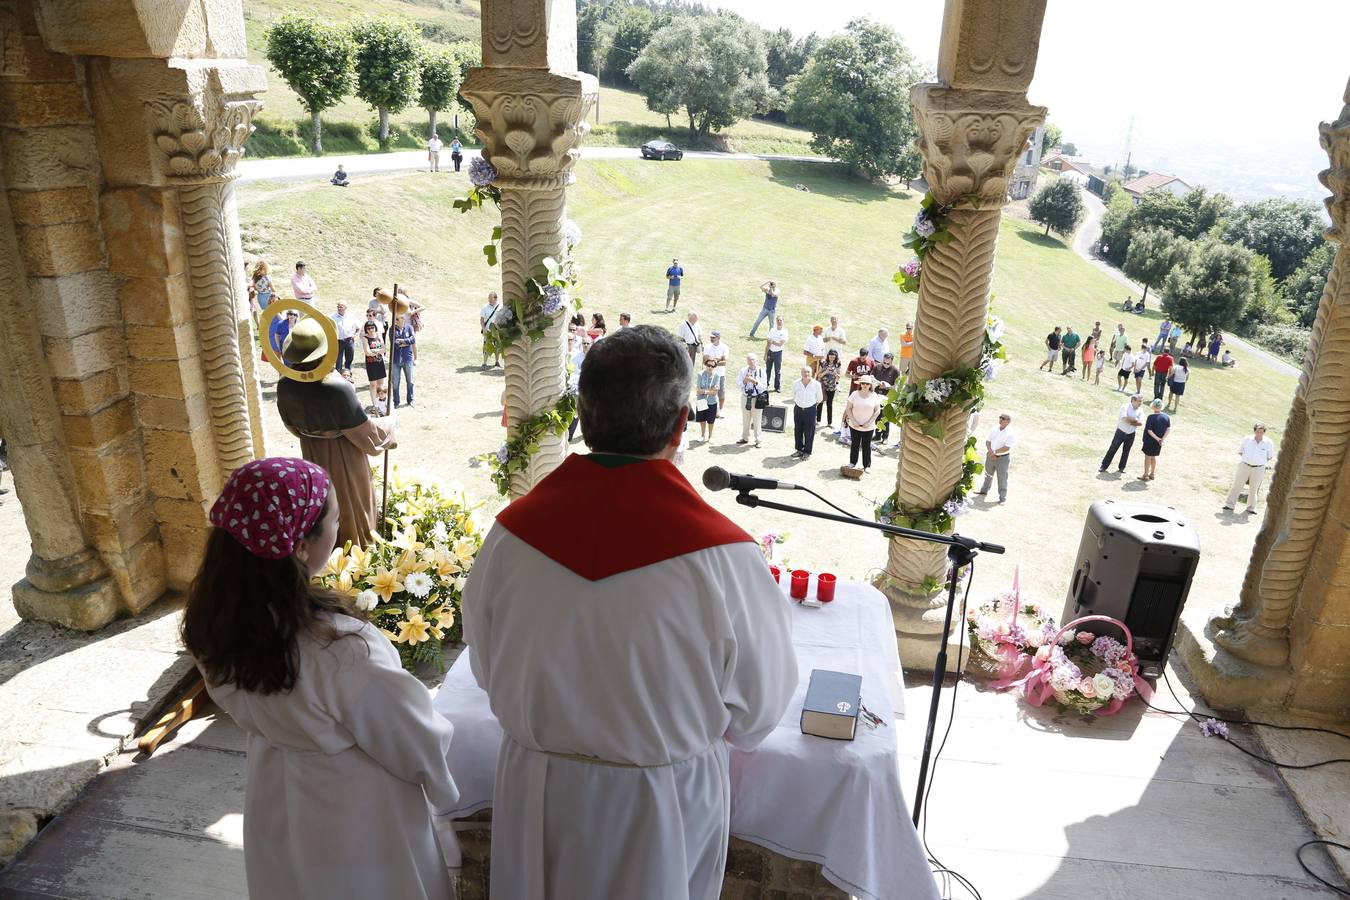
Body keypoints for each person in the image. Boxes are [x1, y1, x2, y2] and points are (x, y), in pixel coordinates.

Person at [463, 326, 796, 900]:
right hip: (658, 804)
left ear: (584, 416)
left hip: (539, 790)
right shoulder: (725, 557)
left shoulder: (512, 536)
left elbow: (488, 669)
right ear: (681, 422)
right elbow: (757, 712)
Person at [183, 458, 458, 900]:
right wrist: (445, 785)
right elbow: (413, 739)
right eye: (333, 519)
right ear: (301, 547)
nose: (339, 527)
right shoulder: (342, 649)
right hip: (357, 816)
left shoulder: (212, 627)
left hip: (277, 794)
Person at [274, 320, 396, 547]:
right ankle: (356, 557)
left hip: (311, 452)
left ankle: (328, 552)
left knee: (321, 504)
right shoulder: (337, 387)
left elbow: (291, 426)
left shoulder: (285, 385)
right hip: (345, 456)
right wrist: (390, 422)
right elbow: (367, 434)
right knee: (350, 501)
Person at [1224, 423, 1275, 514]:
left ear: (1264, 432)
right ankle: (1229, 505)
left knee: (1254, 488)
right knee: (1237, 485)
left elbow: (1269, 456)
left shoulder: (1269, 442)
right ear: (1254, 431)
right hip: (1244, 465)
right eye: (1257, 431)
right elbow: (1240, 451)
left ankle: (1251, 508)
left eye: (1261, 432)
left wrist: (1258, 462)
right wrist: (1248, 460)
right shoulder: (1247, 439)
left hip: (1258, 468)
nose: (1259, 433)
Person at [843, 375, 882, 472]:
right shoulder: (854, 394)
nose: (865, 385)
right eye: (863, 383)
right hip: (854, 425)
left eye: (867, 384)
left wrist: (869, 422)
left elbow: (877, 411)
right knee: (855, 444)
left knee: (866, 446)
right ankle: (852, 462)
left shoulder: (874, 396)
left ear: (870, 385)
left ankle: (867, 465)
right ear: (860, 384)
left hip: (868, 427)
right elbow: (848, 408)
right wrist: (853, 420)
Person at [1099, 393, 1145, 473]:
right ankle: (1104, 466)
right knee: (1112, 449)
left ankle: (1122, 468)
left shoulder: (1140, 410)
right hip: (1120, 432)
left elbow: (1140, 423)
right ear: (1133, 400)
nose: (1140, 403)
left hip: (1131, 434)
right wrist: (1134, 420)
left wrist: (1130, 421)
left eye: (1141, 401)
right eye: (1139, 401)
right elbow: (1124, 418)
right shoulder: (1125, 406)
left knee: (1126, 451)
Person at [975, 413, 1015, 502]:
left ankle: (1002, 498)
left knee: (1002, 478)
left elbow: (1007, 447)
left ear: (1008, 421)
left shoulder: (1011, 432)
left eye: (1003, 418)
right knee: (988, 474)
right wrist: (990, 451)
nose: (1000, 419)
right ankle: (984, 491)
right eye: (1000, 417)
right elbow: (988, 441)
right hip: (990, 456)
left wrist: (995, 453)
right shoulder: (994, 428)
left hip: (1002, 458)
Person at [791, 365, 823, 459]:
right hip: (798, 409)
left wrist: (811, 406)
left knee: (809, 432)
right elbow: (793, 395)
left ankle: (807, 452)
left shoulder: (816, 384)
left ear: (811, 373)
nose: (806, 374)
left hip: (810, 410)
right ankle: (799, 450)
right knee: (798, 430)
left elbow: (819, 398)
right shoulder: (796, 383)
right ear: (801, 373)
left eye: (808, 372)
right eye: (804, 372)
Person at [870, 352, 900, 445]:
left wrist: (887, 387)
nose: (886, 365)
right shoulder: (877, 367)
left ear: (891, 362)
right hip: (876, 395)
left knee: (885, 417)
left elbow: (897, 386)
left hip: (887, 397)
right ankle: (877, 435)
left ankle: (885, 437)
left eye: (888, 363)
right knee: (876, 415)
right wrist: (876, 383)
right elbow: (871, 377)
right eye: (884, 363)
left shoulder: (895, 371)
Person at [737, 353, 766, 447]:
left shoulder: (762, 371)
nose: (751, 362)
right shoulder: (743, 370)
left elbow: (764, 387)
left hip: (756, 398)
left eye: (753, 360)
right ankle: (745, 437)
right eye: (749, 360)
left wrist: (754, 381)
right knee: (745, 419)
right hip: (745, 397)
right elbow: (738, 384)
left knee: (757, 420)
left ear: (757, 361)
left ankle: (759, 440)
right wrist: (745, 380)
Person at [1139, 399, 1170, 481]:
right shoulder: (1166, 417)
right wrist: (1161, 439)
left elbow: (1149, 430)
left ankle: (1145, 475)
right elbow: (1168, 429)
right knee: (1153, 457)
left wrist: (1158, 439)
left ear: (1153, 407)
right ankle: (1152, 474)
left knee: (1147, 457)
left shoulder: (1151, 417)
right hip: (1158, 442)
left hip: (1149, 441)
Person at [390, 313, 416, 408]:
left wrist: (401, 341)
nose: (395, 321)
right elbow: (395, 343)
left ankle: (411, 399)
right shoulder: (392, 329)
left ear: (403, 319)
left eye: (397, 319)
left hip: (407, 358)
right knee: (395, 382)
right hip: (396, 360)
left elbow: (413, 340)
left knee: (410, 381)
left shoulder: (409, 328)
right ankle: (396, 402)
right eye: (395, 319)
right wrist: (406, 341)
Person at [361, 320, 387, 413]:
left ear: (375, 328)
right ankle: (374, 405)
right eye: (368, 328)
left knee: (380, 383)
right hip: (371, 364)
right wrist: (377, 351)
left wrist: (374, 351)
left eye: (372, 327)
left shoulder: (379, 335)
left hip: (379, 362)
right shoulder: (365, 338)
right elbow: (367, 352)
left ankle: (380, 402)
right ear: (366, 329)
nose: (371, 330)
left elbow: (384, 348)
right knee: (373, 385)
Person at [331, 301, 358, 379]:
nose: (339, 308)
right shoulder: (332, 317)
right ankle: (338, 377)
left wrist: (354, 335)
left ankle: (348, 376)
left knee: (349, 358)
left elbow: (359, 327)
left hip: (349, 340)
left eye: (341, 307)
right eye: (338, 307)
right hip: (338, 341)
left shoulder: (351, 317)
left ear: (345, 308)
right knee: (338, 361)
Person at [704, 331, 729, 415]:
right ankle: (706, 410)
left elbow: (724, 362)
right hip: (709, 373)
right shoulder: (707, 347)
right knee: (707, 392)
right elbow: (705, 361)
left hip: (720, 374)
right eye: (711, 337)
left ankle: (720, 410)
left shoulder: (724, 347)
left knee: (721, 392)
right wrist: (718, 359)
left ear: (718, 338)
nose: (711, 339)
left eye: (713, 337)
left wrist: (713, 361)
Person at [695, 356, 719, 441]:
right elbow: (698, 390)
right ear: (706, 364)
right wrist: (709, 391)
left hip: (712, 401)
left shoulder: (717, 376)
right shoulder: (700, 374)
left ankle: (710, 436)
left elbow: (715, 392)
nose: (710, 367)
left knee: (711, 420)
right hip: (701, 400)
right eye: (708, 365)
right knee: (702, 419)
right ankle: (702, 435)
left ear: (714, 367)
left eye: (712, 366)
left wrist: (704, 391)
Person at [479, 291, 504, 369]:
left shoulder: (501, 307)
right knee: (486, 346)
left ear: (495, 299)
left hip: (497, 331)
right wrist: (483, 329)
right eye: (489, 298)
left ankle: (496, 362)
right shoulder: (485, 307)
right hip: (488, 331)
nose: (489, 300)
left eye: (491, 298)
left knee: (498, 346)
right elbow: (482, 319)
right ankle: (484, 363)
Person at [818, 348, 841, 429]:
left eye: (833, 357)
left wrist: (835, 374)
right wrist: (826, 371)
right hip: (823, 386)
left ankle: (829, 422)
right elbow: (819, 375)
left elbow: (839, 376)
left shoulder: (837, 364)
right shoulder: (823, 363)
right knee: (820, 402)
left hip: (832, 387)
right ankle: (818, 420)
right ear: (828, 356)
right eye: (830, 357)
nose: (831, 358)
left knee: (829, 404)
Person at [764, 315, 787, 392]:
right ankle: (765, 385)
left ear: (783, 322)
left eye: (781, 320)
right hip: (770, 352)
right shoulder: (772, 330)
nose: (779, 322)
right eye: (778, 320)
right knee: (768, 370)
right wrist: (765, 354)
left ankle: (777, 387)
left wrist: (773, 341)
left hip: (778, 353)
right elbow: (768, 342)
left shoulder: (784, 332)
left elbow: (781, 344)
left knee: (777, 371)